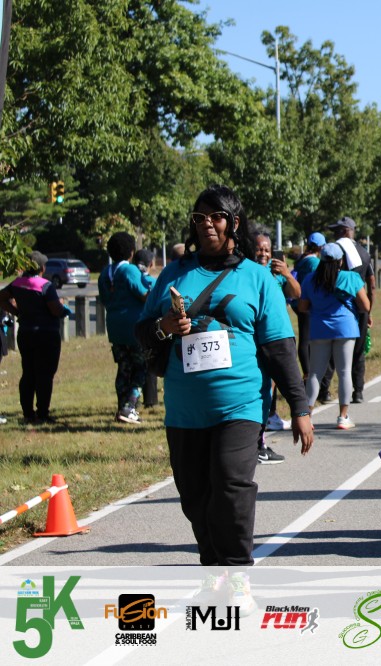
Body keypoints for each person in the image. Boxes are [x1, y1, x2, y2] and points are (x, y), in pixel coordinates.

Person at [134, 185, 313, 615]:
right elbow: (143, 332)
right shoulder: (174, 274)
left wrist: (300, 408)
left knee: (231, 487)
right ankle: (212, 571)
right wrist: (165, 327)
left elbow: (279, 348)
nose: (207, 225)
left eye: (216, 217)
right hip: (185, 408)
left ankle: (237, 577)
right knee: (195, 494)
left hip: (240, 405)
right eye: (200, 218)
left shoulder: (257, 277)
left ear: (234, 223)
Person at [298, 242, 370, 429]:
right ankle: (343, 417)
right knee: (344, 371)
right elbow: (365, 305)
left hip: (319, 329)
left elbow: (302, 307)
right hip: (345, 328)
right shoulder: (351, 278)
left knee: (315, 373)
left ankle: (307, 416)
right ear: (341, 261)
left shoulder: (310, 279)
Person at [0, 251, 70, 424]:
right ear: (42, 268)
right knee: (45, 374)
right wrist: (62, 307)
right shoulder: (45, 286)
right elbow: (55, 309)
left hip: (25, 332)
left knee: (28, 373)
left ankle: (28, 413)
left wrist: (17, 312)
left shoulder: (17, 283)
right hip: (46, 334)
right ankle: (42, 413)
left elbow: (1, 298)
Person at [252, 229, 302, 464]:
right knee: (258, 388)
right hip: (255, 338)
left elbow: (297, 293)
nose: (263, 253)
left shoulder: (276, 273)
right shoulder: (247, 272)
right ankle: (256, 443)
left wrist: (287, 274)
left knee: (269, 388)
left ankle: (259, 440)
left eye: (267, 250)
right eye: (259, 249)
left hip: (276, 339)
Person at [98, 232, 150, 424]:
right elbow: (143, 294)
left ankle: (121, 407)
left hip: (114, 327)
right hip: (134, 327)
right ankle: (130, 406)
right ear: (131, 252)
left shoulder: (105, 273)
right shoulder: (130, 271)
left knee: (124, 367)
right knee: (141, 367)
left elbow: (104, 299)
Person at [327, 216, 375, 404]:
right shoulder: (364, 253)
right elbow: (372, 284)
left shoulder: (337, 251)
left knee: (332, 348)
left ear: (346, 231)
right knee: (358, 351)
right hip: (361, 306)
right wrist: (369, 311)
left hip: (340, 307)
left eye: (338, 231)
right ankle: (358, 391)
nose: (335, 235)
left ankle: (324, 390)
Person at [293, 232, 326, 378]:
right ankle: (308, 373)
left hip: (297, 302)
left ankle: (307, 371)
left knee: (304, 337)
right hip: (307, 303)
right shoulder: (314, 263)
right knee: (307, 339)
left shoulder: (302, 259)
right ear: (320, 247)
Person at [133, 249, 159, 408]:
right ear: (151, 264)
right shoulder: (153, 282)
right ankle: (150, 399)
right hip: (149, 326)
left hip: (133, 326)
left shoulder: (133, 279)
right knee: (150, 362)